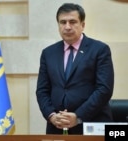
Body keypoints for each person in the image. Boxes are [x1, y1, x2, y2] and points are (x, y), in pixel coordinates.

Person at [36, 3, 114, 134]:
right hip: (57, 127)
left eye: (72, 22)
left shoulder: (100, 50)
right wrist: (51, 116)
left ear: (82, 25)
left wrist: (78, 116)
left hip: (92, 126)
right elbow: (42, 90)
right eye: (63, 22)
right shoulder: (48, 53)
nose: (67, 27)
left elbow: (104, 89)